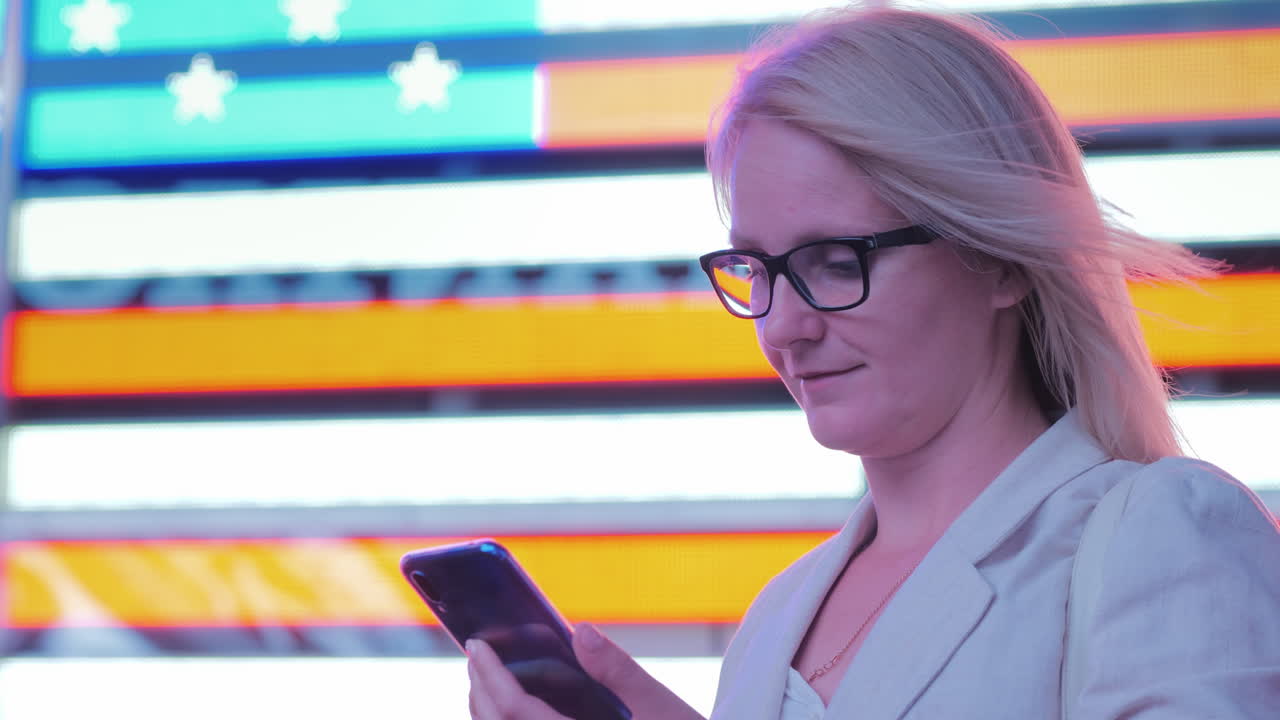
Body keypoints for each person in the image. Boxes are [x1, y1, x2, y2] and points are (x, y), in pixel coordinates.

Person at [465, 4, 1280, 718]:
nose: (783, 326)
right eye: (756, 267)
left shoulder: (1162, 530)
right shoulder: (776, 618)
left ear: (998, 260)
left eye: (832, 260)